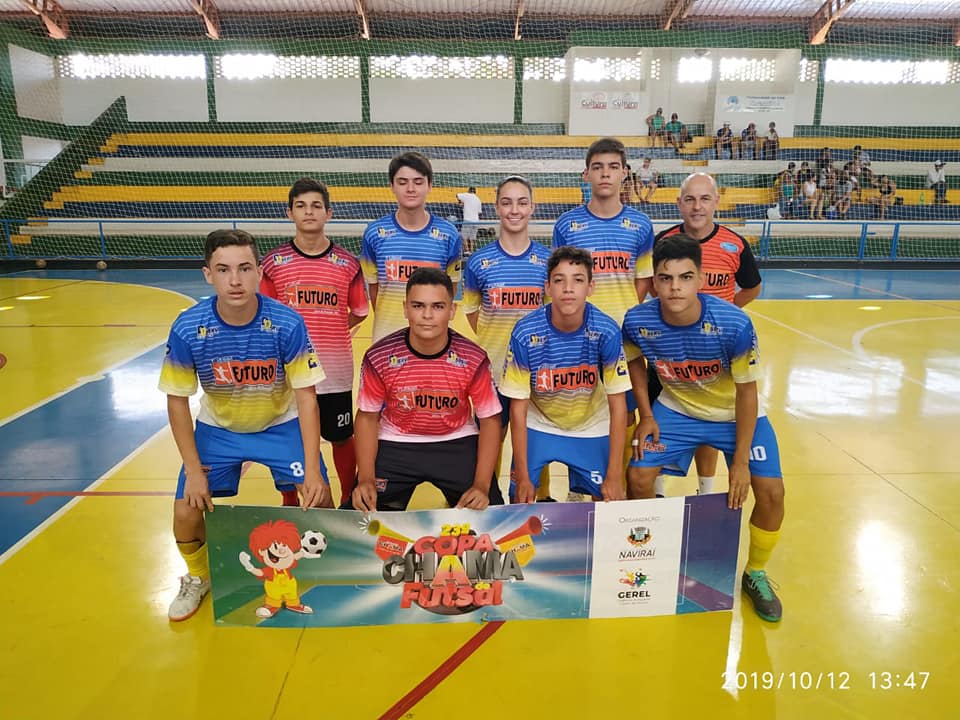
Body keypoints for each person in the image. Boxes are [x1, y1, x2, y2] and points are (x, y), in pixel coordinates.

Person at [160, 229, 332, 622]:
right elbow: (177, 401)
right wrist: (193, 471)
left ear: (259, 272)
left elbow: (307, 398)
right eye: (223, 270)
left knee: (319, 497)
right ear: (208, 274)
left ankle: (318, 570)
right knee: (186, 510)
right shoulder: (188, 327)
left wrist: (312, 467)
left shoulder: (286, 323)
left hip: (280, 424)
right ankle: (198, 577)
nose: (235, 280)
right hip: (219, 429)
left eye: (244, 268)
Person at [622, 234, 786, 622]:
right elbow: (634, 364)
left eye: (685, 277)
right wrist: (646, 415)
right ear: (654, 281)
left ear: (701, 279)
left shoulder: (734, 324)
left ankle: (755, 573)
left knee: (772, 493)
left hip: (734, 415)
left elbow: (747, 393)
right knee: (639, 476)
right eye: (665, 278)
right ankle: (649, 555)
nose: (674, 288)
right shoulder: (637, 321)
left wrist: (740, 461)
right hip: (677, 411)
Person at [349, 267, 503, 512]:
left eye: (438, 306)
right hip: (396, 439)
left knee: (491, 514)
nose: (427, 315)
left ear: (452, 311)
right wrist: (366, 478)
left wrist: (482, 485)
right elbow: (367, 417)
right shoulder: (379, 357)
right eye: (418, 306)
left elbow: (490, 420)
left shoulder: (473, 358)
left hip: (456, 439)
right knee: (359, 515)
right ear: (405, 309)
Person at [552, 136, 654, 500]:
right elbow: (561, 279)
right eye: (597, 167)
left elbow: (642, 279)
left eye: (613, 167)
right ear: (586, 175)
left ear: (625, 173)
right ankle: (579, 488)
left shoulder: (640, 224)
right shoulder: (568, 224)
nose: (605, 174)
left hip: (624, 341)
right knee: (578, 410)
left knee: (624, 414)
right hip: (578, 338)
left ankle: (617, 486)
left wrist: (620, 316)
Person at [260, 177, 369, 507]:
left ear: (328, 213)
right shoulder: (273, 263)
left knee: (341, 437)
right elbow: (264, 317)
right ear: (289, 212)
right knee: (288, 440)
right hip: (288, 375)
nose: (309, 212)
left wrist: (331, 328)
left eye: (316, 206)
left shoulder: (347, 264)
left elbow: (360, 311)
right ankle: (290, 499)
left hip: (333, 372)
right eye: (301, 206)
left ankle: (348, 496)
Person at [653, 172, 762, 498]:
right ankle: (657, 489)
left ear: (716, 201)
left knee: (709, 419)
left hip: (716, 352)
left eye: (704, 199)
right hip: (670, 350)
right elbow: (653, 285)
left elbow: (752, 287)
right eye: (690, 199)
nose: (697, 206)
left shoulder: (734, 244)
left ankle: (706, 490)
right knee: (661, 416)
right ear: (679, 203)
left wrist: (727, 313)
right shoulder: (663, 241)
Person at [501, 246, 630, 503]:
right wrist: (523, 476)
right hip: (540, 421)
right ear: (548, 287)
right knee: (520, 496)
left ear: (590, 287)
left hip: (590, 422)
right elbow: (518, 409)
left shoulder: (606, 331)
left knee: (609, 497)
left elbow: (618, 406)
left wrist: (615, 475)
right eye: (560, 280)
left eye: (578, 280)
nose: (568, 288)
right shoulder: (525, 332)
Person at [463, 176, 549, 448]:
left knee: (532, 451)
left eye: (522, 203)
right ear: (497, 208)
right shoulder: (479, 261)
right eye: (507, 202)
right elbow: (472, 312)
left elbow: (552, 316)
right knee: (488, 448)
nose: (514, 210)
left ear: (532, 207)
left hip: (535, 373)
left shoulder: (548, 261)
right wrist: (495, 340)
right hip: (492, 373)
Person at [361, 151, 462, 343]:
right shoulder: (374, 233)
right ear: (392, 186)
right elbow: (374, 290)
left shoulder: (448, 235)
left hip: (433, 343)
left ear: (429, 185)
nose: (410, 189)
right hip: (387, 339)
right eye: (402, 182)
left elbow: (449, 290)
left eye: (418, 182)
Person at [457, 186, 483, 255]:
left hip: (468, 219)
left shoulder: (467, 195)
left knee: (464, 237)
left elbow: (457, 195)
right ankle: (471, 251)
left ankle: (466, 251)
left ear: (469, 191)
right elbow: (479, 212)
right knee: (472, 238)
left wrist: (461, 202)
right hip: (476, 221)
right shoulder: (478, 199)